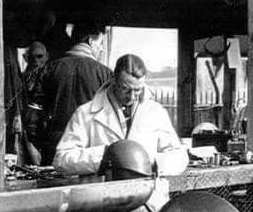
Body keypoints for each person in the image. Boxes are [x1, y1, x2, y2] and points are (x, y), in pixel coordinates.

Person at [54, 53, 185, 178]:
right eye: (126, 89)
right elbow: (62, 160)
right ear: (113, 80)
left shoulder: (156, 112)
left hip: (147, 194)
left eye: (138, 90)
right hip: (103, 196)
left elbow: (180, 156)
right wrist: (105, 156)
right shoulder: (85, 113)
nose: (132, 96)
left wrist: (152, 162)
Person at [38, 18, 112, 165]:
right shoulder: (105, 74)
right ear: (91, 41)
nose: (102, 49)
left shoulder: (49, 69)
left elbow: (34, 115)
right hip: (88, 148)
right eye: (101, 44)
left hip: (54, 144)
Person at [20, 40, 48, 162]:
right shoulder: (22, 78)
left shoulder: (50, 75)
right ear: (26, 58)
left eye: (39, 57)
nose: (36, 61)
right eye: (32, 57)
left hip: (44, 122)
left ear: (47, 57)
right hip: (27, 122)